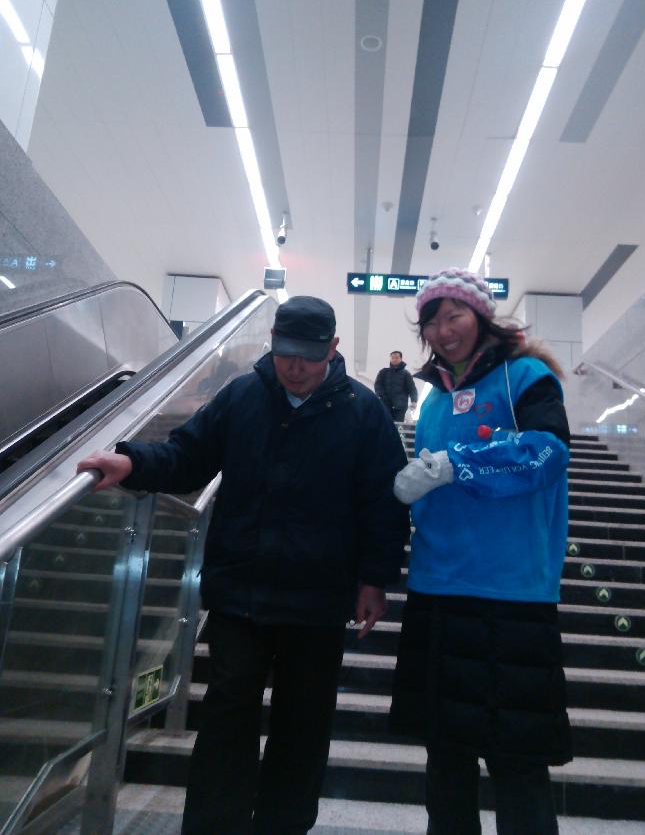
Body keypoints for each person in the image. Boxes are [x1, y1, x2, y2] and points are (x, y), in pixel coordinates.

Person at [77, 295, 409, 835]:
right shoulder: (243, 396)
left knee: (303, 726)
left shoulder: (363, 412)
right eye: (285, 352)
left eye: (309, 355)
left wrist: (375, 578)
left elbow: (383, 504)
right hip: (240, 594)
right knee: (226, 718)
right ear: (272, 340)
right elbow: (188, 456)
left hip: (319, 601)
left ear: (332, 348)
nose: (295, 366)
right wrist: (132, 461)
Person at [389, 269, 572, 835]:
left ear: (481, 317)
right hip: (437, 590)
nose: (444, 331)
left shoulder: (527, 377)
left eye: (455, 316)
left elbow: (548, 452)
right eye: (432, 322)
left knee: (517, 765)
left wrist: (456, 464)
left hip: (510, 594)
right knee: (445, 761)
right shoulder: (435, 402)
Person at [374, 350, 418, 422]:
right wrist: (380, 395)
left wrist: (414, 401)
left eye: (397, 358)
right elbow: (378, 385)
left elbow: (412, 388)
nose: (394, 359)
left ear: (401, 359)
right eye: (392, 358)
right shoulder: (383, 372)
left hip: (401, 405)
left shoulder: (406, 374)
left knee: (398, 424)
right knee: (386, 422)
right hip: (386, 403)